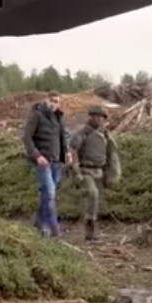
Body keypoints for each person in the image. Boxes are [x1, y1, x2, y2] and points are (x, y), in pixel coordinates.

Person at [69, 104, 121, 242]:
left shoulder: (104, 134)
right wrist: (77, 171)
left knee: (96, 203)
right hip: (86, 170)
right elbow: (73, 152)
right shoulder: (83, 134)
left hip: (100, 171)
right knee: (93, 194)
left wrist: (112, 173)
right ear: (91, 117)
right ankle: (89, 231)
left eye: (102, 118)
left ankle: (92, 233)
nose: (99, 120)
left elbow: (111, 153)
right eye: (97, 117)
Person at [21, 92, 71, 237]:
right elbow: (27, 138)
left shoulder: (58, 118)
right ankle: (53, 228)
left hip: (56, 162)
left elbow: (63, 138)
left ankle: (40, 222)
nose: (54, 104)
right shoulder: (37, 115)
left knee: (46, 194)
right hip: (43, 162)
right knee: (50, 194)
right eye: (52, 100)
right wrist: (37, 156)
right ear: (46, 101)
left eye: (57, 101)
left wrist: (67, 152)